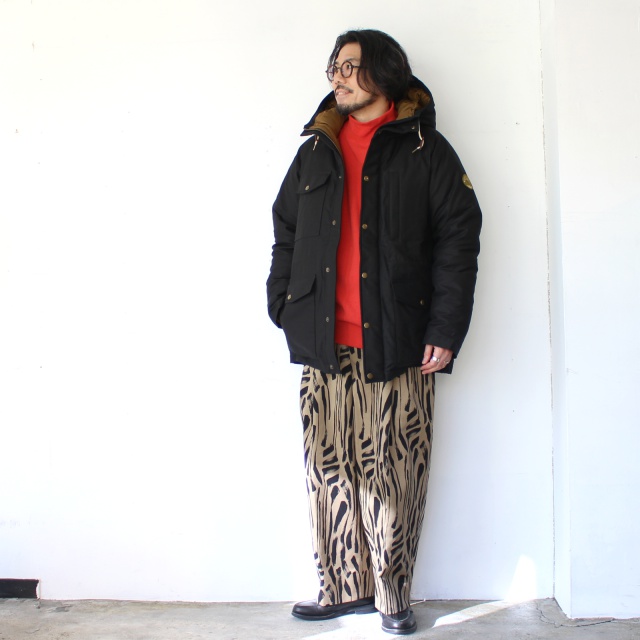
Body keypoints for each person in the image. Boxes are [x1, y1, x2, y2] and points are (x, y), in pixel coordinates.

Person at [267, 29, 482, 636]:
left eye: (349, 66)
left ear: (384, 74)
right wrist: (282, 301)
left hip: (398, 343)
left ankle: (391, 597)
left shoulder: (426, 150)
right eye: (333, 67)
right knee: (329, 471)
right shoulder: (316, 150)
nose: (336, 77)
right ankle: (342, 589)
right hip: (323, 344)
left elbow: (459, 240)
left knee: (394, 475)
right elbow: (285, 228)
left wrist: (445, 327)